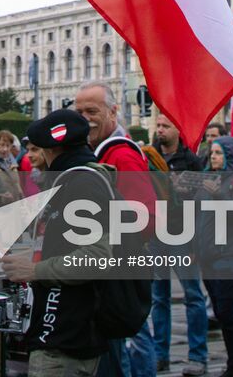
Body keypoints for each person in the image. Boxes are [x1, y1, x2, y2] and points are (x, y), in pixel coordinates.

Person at [0, 109, 112, 377]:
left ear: (54, 150)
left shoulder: (83, 184)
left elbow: (98, 257)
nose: (34, 159)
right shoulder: (75, 181)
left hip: (65, 339)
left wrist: (36, 271)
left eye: (40, 149)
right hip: (63, 332)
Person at [72, 82, 156, 377]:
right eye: (79, 111)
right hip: (108, 276)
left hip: (115, 278)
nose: (84, 118)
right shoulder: (95, 151)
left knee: (121, 352)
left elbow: (145, 217)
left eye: (92, 111)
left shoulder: (120, 155)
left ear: (113, 112)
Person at [150, 114, 207, 376]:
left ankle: (198, 356)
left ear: (177, 130)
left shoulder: (191, 161)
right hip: (157, 237)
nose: (160, 130)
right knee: (158, 297)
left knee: (193, 297)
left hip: (183, 237)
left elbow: (201, 203)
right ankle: (160, 354)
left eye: (165, 126)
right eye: (158, 126)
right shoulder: (150, 158)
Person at [193, 137, 233, 377]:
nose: (214, 156)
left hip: (230, 258)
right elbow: (198, 215)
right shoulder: (208, 181)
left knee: (229, 314)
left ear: (230, 154)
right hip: (208, 257)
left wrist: (219, 195)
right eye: (212, 152)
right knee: (221, 314)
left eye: (218, 152)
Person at [0, 130, 23, 207]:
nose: (5, 149)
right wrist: (1, 196)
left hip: (15, 207)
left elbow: (17, 184)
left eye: (8, 145)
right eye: (2, 145)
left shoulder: (12, 162)